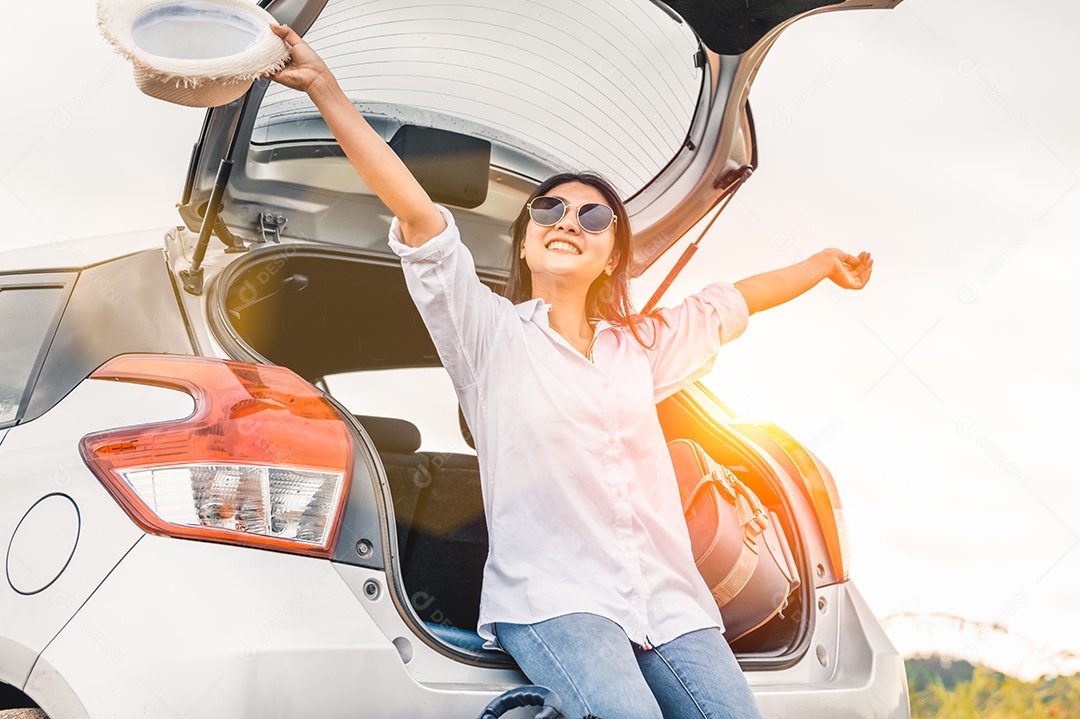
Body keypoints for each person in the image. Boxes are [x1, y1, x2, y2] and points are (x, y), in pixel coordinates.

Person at [268, 23, 872, 719]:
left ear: (612, 256)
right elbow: (417, 213)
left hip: (673, 606)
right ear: (526, 244)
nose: (567, 221)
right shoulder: (489, 335)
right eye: (549, 210)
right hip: (554, 601)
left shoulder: (640, 348)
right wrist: (324, 88)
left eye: (592, 217)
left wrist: (822, 264)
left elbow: (732, 302)